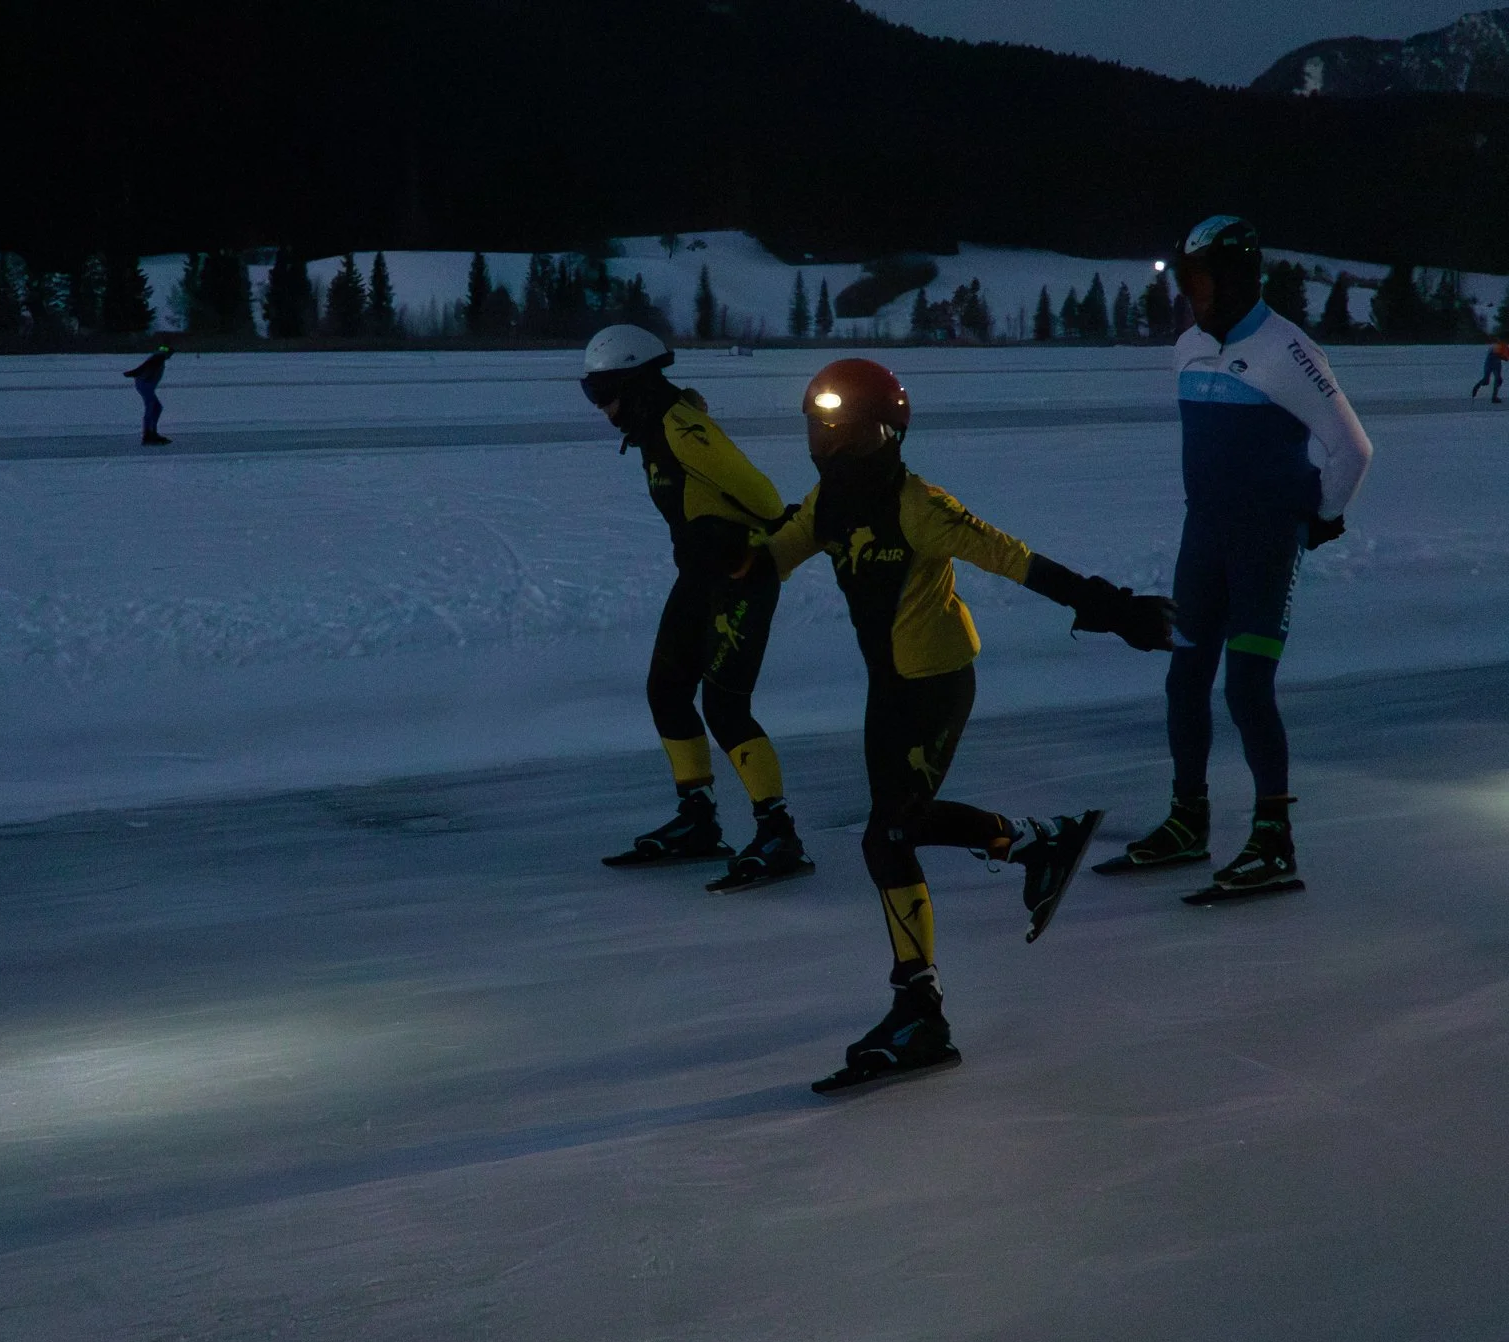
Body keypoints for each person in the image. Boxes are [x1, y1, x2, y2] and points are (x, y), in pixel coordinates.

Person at [767, 358, 1173, 1092]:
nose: (820, 442)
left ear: (868, 434)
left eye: (832, 429)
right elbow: (768, 558)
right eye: (814, 429)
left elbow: (1010, 557)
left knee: (889, 833)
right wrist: (716, 565)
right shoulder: (828, 503)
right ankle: (1036, 844)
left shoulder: (917, 502)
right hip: (890, 688)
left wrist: (1110, 607)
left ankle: (920, 1008)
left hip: (935, 684)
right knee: (899, 825)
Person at [1095, 217, 1373, 901]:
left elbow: (1354, 450)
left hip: (1264, 545)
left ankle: (1274, 841)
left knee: (1247, 688)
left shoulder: (1288, 348)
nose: (1193, 294)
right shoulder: (1188, 346)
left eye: (1203, 280)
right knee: (1184, 680)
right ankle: (1189, 820)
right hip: (1204, 539)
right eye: (1187, 281)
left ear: (1240, 278)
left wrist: (1323, 517)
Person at [581, 324, 811, 893]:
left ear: (634, 383)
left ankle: (778, 831)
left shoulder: (680, 427)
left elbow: (758, 493)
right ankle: (698, 819)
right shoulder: (653, 427)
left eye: (603, 392)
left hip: (740, 576)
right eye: (592, 393)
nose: (601, 407)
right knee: (665, 690)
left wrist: (738, 541)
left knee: (726, 707)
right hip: (701, 578)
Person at [124, 345, 174, 445]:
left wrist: (133, 373)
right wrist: (133, 373)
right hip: (145, 385)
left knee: (157, 408)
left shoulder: (159, 357)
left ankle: (152, 433)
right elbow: (145, 366)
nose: (170, 357)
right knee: (152, 408)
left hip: (146, 385)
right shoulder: (159, 357)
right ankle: (148, 435)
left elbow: (145, 365)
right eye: (171, 354)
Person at [1472, 338, 1509, 403]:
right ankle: (1493, 396)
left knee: (1492, 380)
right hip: (1493, 363)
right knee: (1491, 380)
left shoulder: (1501, 346)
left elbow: (1504, 357)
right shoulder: (1500, 346)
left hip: (1492, 363)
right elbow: (1502, 356)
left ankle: (1493, 397)